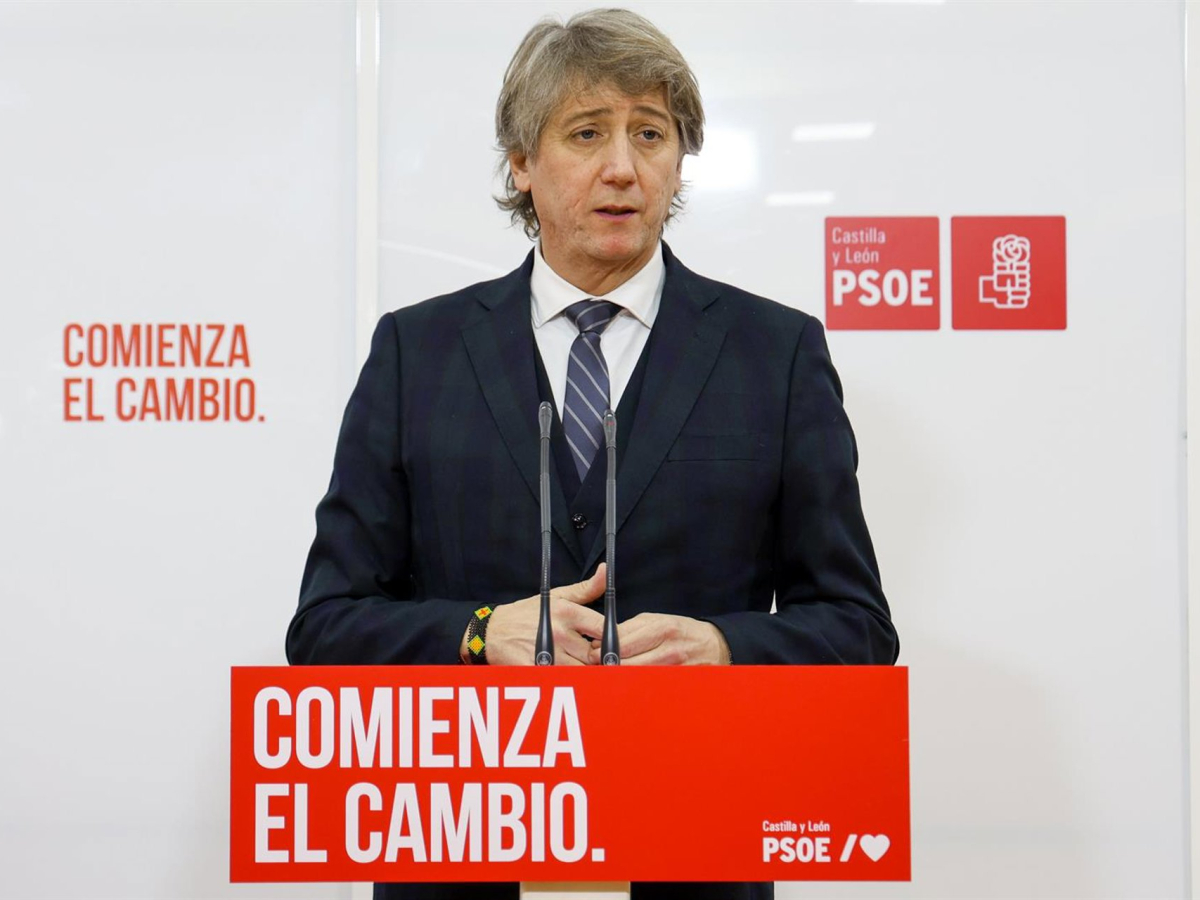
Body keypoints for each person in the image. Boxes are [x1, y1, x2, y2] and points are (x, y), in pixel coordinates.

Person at [287, 8, 898, 899]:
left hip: (697, 851)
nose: (623, 166)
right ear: (521, 162)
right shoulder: (417, 353)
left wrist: (724, 646)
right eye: (586, 133)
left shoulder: (776, 354)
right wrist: (477, 633)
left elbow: (856, 628)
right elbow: (324, 628)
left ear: (679, 160)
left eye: (650, 133)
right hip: (462, 860)